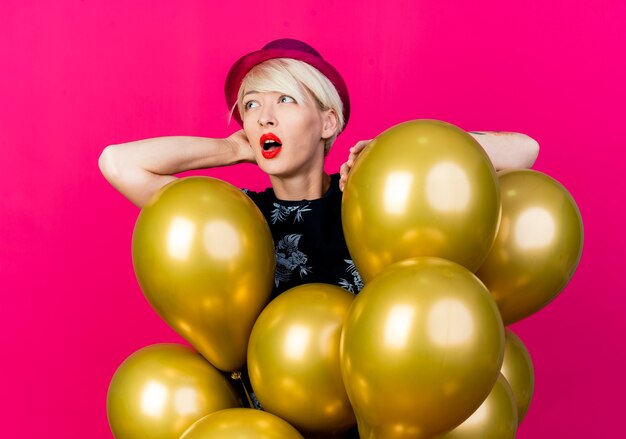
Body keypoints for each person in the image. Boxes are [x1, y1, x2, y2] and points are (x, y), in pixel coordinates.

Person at [98, 38, 539, 434]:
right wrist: (231, 149)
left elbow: (524, 150)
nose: (264, 116)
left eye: (285, 99)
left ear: (328, 122)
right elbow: (118, 163)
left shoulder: (373, 204)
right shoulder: (230, 219)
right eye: (251, 105)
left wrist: (392, 147)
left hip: (381, 423)